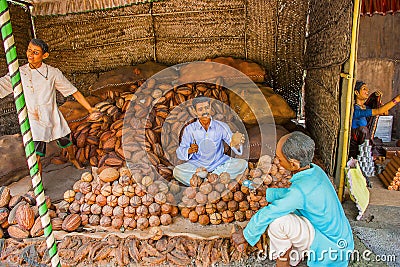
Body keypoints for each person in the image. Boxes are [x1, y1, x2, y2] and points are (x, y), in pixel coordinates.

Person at [233, 131, 354, 267]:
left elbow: (271, 211)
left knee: (278, 223)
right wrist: (268, 193)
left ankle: (283, 264)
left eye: (279, 158)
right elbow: (293, 195)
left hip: (331, 245)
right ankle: (295, 257)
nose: (277, 160)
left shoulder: (299, 192)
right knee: (289, 215)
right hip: (341, 238)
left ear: (294, 165)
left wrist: (246, 235)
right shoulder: (316, 171)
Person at [0, 38, 97, 176]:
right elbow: (3, 84)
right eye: (29, 50)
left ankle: (73, 159)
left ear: (44, 56)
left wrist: (89, 109)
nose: (30, 55)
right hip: (34, 118)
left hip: (52, 114)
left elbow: (72, 90)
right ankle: (38, 183)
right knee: (36, 155)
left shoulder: (52, 73)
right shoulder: (19, 73)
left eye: (35, 52)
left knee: (66, 142)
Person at [173, 96, 248, 186]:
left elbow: (232, 143)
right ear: (195, 112)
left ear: (210, 108)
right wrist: (190, 150)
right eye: (200, 109)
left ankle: (205, 180)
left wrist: (236, 142)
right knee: (177, 171)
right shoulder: (189, 129)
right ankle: (213, 180)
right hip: (197, 166)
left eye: (206, 108)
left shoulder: (221, 126)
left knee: (242, 164)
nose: (204, 112)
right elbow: (180, 152)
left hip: (219, 163)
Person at [350, 80, 400, 158]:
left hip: (365, 141)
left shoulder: (366, 107)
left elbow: (384, 112)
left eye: (367, 89)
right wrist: (397, 99)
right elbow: (378, 111)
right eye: (364, 89)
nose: (367, 91)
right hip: (356, 143)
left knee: (378, 143)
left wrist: (378, 100)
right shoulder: (355, 110)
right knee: (363, 130)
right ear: (356, 93)